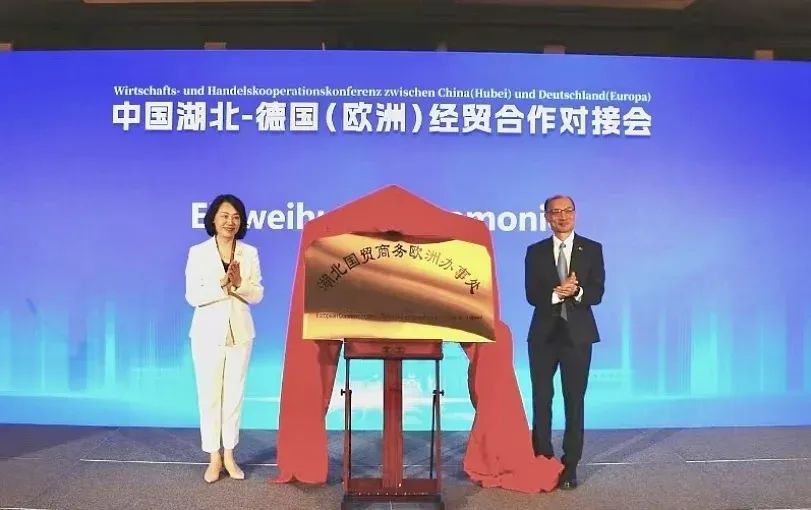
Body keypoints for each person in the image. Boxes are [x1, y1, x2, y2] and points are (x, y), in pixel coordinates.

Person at [524, 194, 605, 490]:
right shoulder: (535, 252)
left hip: (578, 336)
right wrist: (557, 293)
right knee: (541, 398)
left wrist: (577, 291)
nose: (562, 216)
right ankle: (543, 459)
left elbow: (597, 292)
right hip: (543, 336)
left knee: (574, 400)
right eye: (555, 212)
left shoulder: (592, 249)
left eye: (567, 210)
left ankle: (570, 465)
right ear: (547, 217)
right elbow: (532, 294)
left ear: (575, 213)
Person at [184, 194, 264, 483]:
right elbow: (192, 295)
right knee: (209, 397)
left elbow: (257, 294)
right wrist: (222, 284)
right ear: (213, 219)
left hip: (240, 333)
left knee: (234, 396)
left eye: (236, 217)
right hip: (207, 334)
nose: (230, 222)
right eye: (225, 216)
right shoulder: (198, 253)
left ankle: (229, 454)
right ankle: (213, 457)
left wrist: (239, 284)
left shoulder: (249, 253)